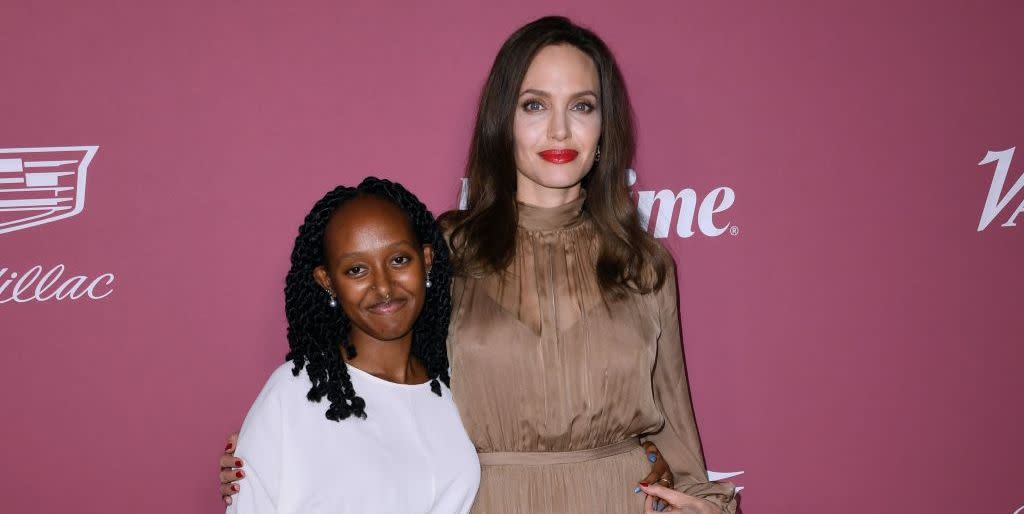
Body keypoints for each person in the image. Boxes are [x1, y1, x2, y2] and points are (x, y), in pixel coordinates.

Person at [222, 16, 736, 513]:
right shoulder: (447, 252)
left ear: (605, 128)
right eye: (534, 105)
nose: (559, 130)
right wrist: (271, 459)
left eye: (582, 106)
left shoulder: (645, 265)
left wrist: (703, 506)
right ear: (502, 122)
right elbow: (371, 387)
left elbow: (680, 442)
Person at [226, 178, 479, 514]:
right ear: (327, 281)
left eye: (399, 260)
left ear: (427, 259)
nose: (384, 286)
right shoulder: (294, 394)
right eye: (357, 269)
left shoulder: (455, 389)